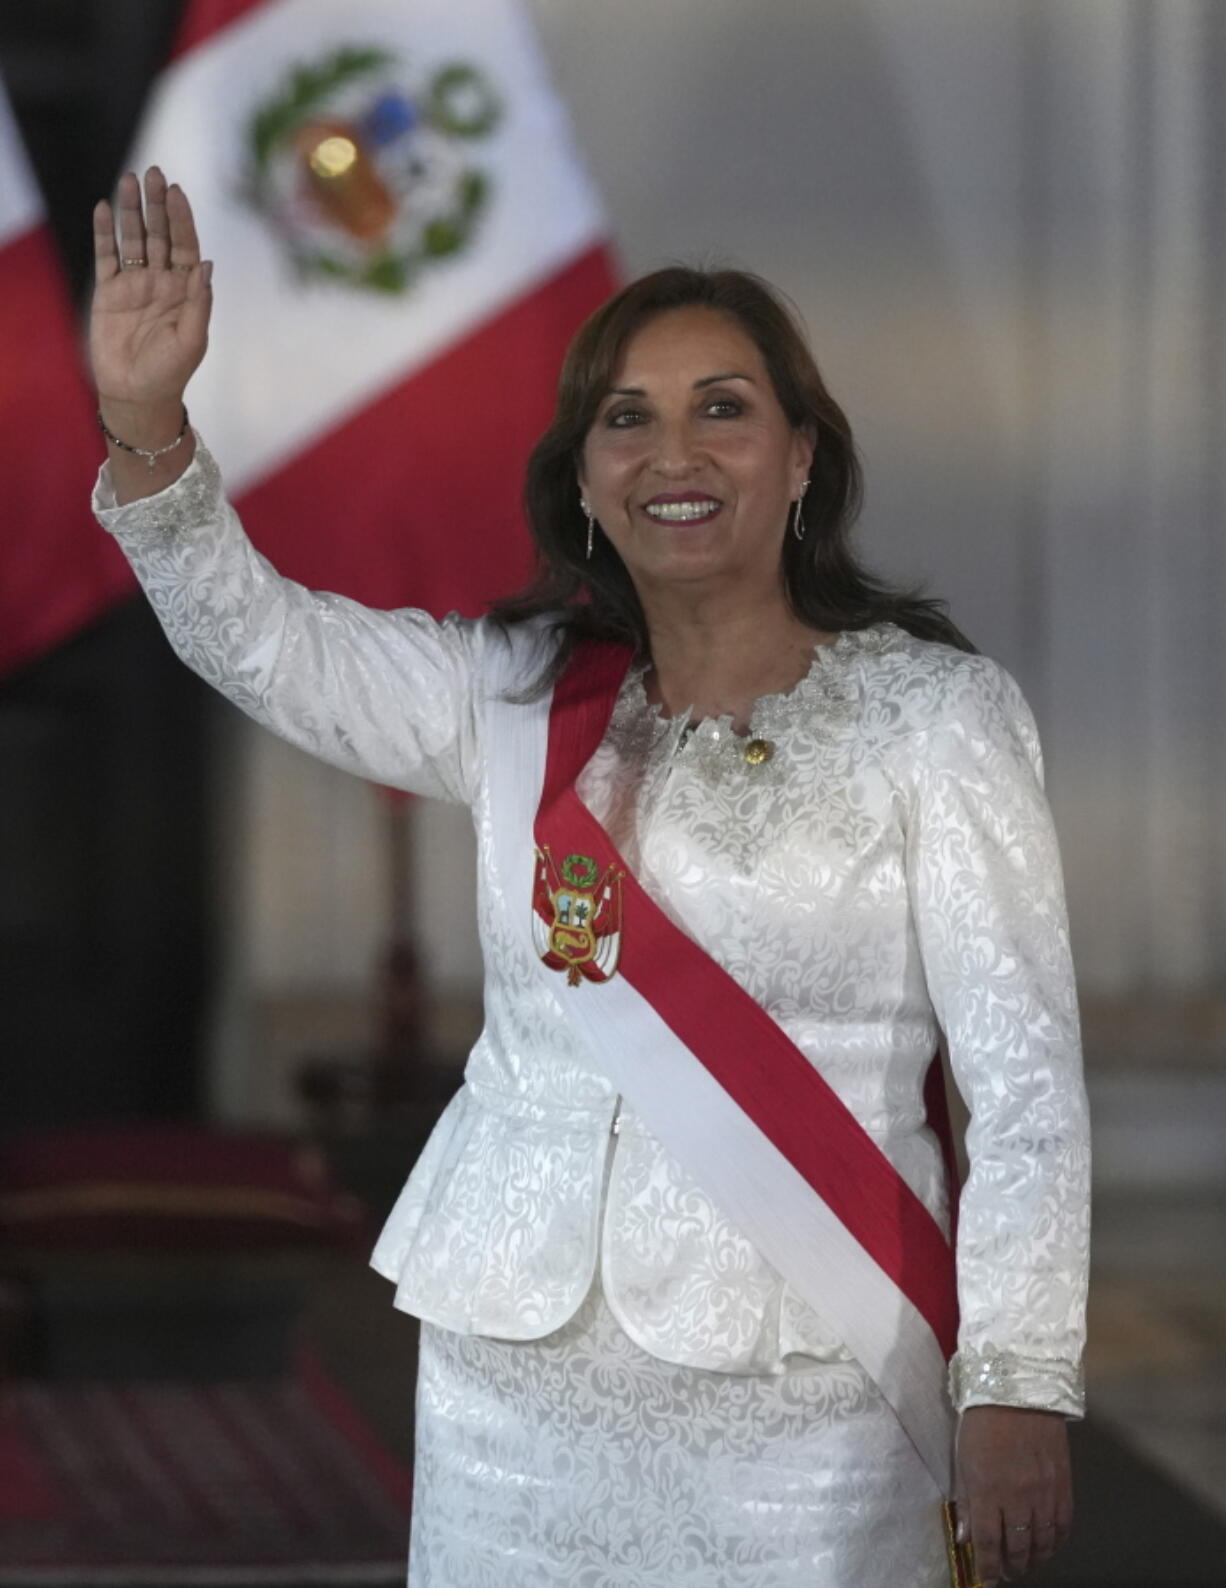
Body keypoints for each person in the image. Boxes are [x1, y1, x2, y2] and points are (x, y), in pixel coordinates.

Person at [90, 167, 1090, 1588]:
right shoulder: (512, 697)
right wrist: (148, 430)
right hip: (517, 1375)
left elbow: (1027, 1086)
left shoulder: (934, 717)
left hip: (812, 1373)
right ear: (582, 473)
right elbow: (264, 642)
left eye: (720, 408)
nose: (670, 451)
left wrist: (1016, 1379)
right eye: (626, 417)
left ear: (802, 458)